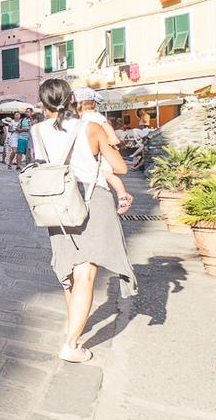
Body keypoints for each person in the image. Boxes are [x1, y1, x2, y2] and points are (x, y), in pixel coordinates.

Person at [31, 79, 137, 364]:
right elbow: (120, 167)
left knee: (70, 269)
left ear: (43, 103)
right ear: (72, 101)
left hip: (58, 203)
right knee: (86, 274)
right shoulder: (90, 128)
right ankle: (71, 344)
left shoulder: (36, 131)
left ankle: (72, 324)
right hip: (91, 201)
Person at [73, 87, 133, 212]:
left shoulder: (91, 116)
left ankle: (122, 196)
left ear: (78, 105)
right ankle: (122, 196)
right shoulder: (89, 116)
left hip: (101, 156)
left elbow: (105, 124)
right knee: (107, 175)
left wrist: (112, 137)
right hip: (99, 154)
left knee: (107, 175)